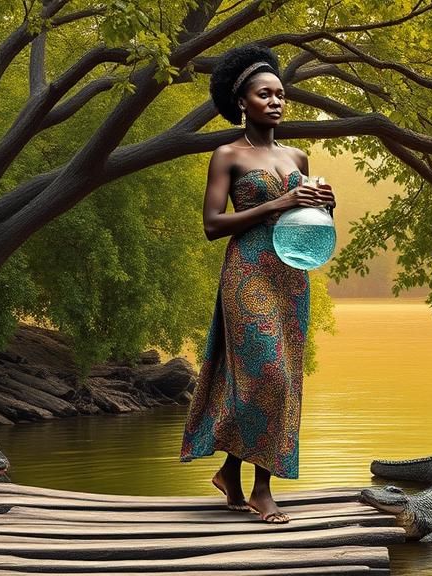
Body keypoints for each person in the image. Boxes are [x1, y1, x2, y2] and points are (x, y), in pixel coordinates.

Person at [179, 44, 336, 524]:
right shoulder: (228, 155)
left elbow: (307, 219)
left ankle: (234, 474)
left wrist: (326, 204)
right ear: (242, 102)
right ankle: (261, 492)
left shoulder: (298, 156)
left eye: (280, 94)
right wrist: (278, 204)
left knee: (282, 379)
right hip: (246, 273)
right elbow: (211, 224)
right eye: (264, 94)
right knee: (263, 373)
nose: (275, 101)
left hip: (290, 276)